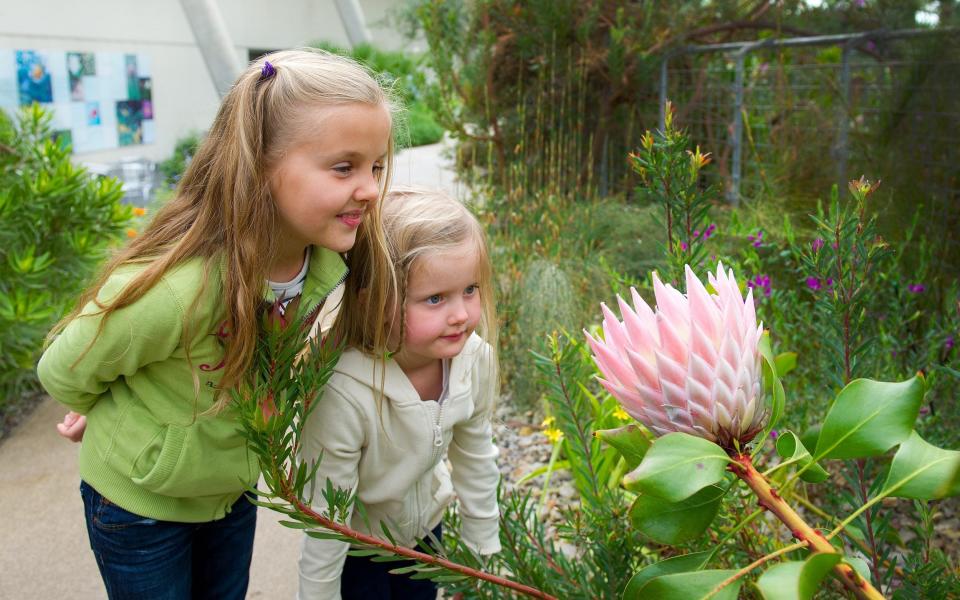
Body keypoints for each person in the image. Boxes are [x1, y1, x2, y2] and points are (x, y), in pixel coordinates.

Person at [37, 48, 398, 600]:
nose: (371, 188)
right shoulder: (178, 290)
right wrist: (107, 409)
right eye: (344, 167)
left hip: (230, 494)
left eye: (376, 166)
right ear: (258, 165)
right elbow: (65, 370)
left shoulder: (322, 262)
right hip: (139, 505)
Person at [297, 188, 502, 600]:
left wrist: (484, 563)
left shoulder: (473, 359)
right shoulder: (343, 390)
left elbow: (476, 458)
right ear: (376, 302)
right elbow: (325, 514)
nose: (461, 314)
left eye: (470, 289)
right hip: (360, 549)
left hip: (427, 535)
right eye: (435, 298)